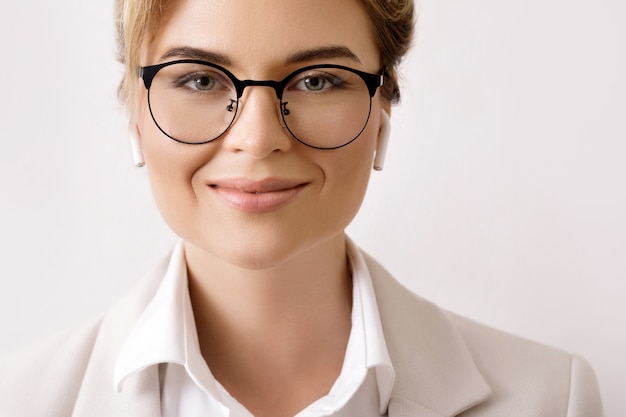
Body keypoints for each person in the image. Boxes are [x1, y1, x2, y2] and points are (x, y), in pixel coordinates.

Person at [0, 0, 604, 416]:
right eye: (201, 80)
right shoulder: (19, 401)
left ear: (384, 105)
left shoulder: (551, 399)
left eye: (317, 80)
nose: (258, 137)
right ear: (134, 108)